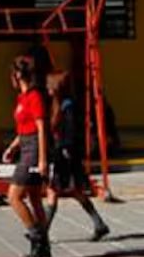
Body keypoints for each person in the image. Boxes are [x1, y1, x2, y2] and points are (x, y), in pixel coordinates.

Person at [44, 71, 110, 242]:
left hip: (66, 156)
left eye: (49, 85)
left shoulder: (67, 107)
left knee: (54, 191)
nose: (46, 88)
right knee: (75, 191)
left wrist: (64, 149)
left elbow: (70, 133)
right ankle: (99, 223)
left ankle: (42, 232)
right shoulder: (58, 105)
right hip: (64, 155)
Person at [1, 58, 51, 257]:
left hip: (34, 150)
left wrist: (42, 160)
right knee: (35, 199)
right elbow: (23, 129)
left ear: (18, 75)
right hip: (25, 146)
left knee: (13, 196)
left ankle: (37, 238)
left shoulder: (34, 96)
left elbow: (41, 128)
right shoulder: (21, 98)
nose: (10, 80)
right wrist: (12, 148)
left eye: (12, 75)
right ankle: (43, 250)